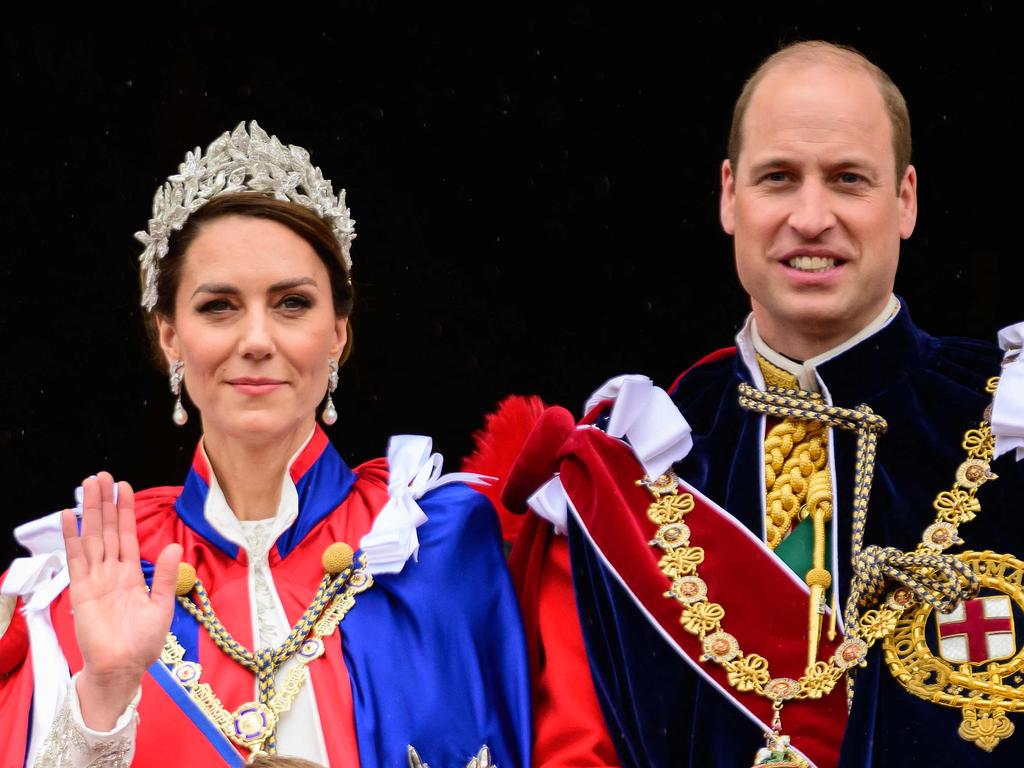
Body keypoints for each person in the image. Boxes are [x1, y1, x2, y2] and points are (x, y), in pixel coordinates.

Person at [469, 41, 1024, 767]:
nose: (811, 216)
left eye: (849, 179)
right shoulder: (633, 463)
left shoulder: (1008, 418)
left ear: (906, 198)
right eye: (779, 178)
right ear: (731, 196)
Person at [0, 122, 531, 767]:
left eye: (291, 303)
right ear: (170, 335)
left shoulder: (437, 541)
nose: (256, 339)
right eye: (219, 306)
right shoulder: (85, 577)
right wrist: (106, 696)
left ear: (337, 330)